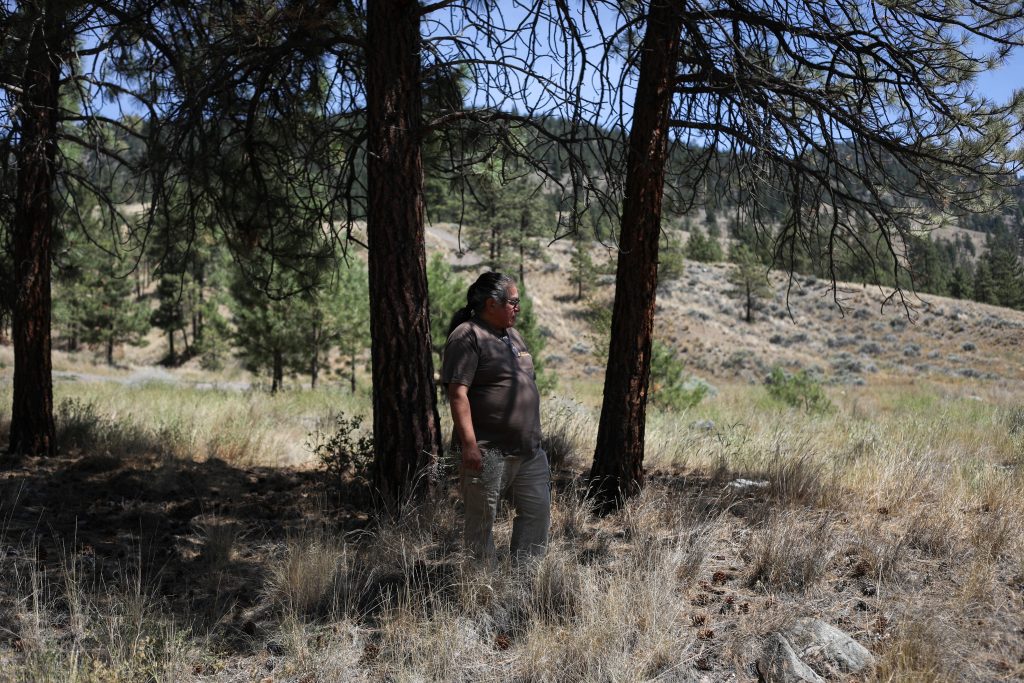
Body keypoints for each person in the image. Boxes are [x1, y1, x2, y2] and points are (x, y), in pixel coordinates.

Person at [441, 272, 550, 561]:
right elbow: (457, 394)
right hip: (488, 453)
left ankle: (524, 584)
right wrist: (469, 445)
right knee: (481, 525)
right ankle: (481, 592)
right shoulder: (467, 335)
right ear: (492, 303)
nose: (518, 307)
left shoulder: (513, 335)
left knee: (537, 514)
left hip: (529, 451)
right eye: (513, 301)